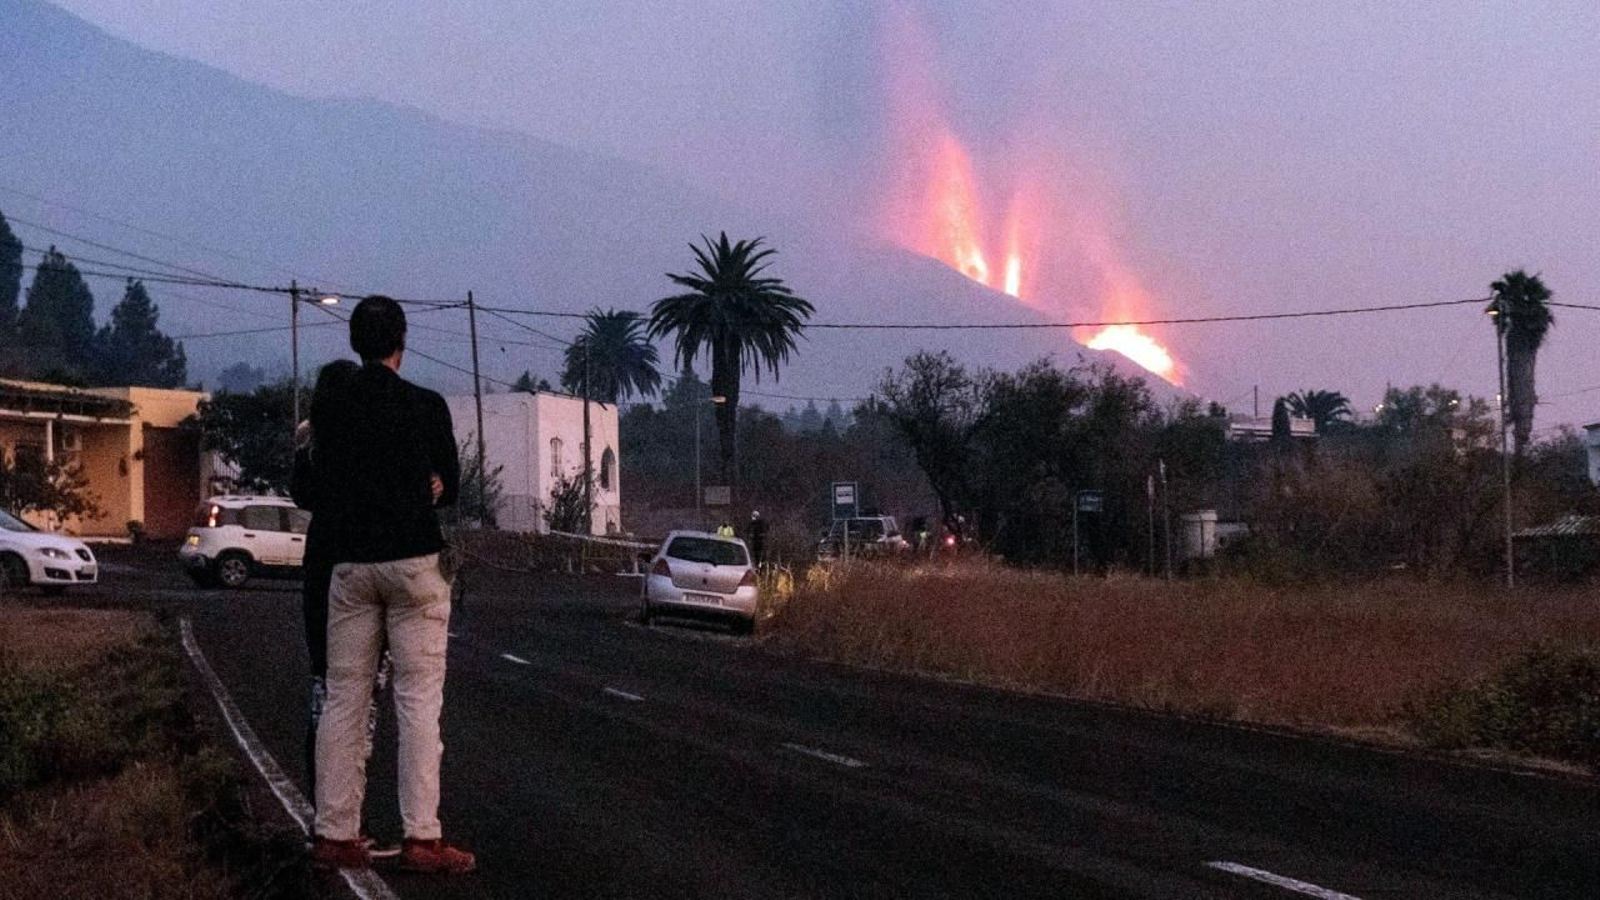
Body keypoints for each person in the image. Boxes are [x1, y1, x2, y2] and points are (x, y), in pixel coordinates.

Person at [310, 296, 474, 874]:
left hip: (351, 564)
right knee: (418, 703)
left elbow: (318, 479)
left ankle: (335, 833)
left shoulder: (331, 407)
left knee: (345, 698)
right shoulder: (425, 405)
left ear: (354, 342)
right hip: (414, 562)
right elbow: (451, 486)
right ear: (402, 341)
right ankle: (421, 838)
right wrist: (429, 484)